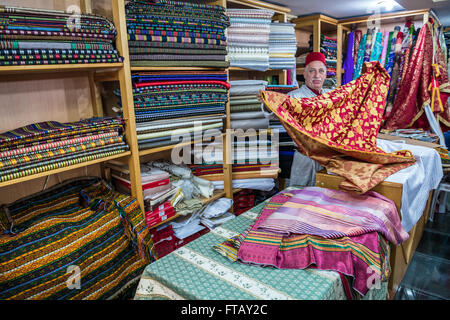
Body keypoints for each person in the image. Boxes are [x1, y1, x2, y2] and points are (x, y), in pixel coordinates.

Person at [288, 52, 331, 187]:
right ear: (305, 74)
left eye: (321, 71)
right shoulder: (294, 97)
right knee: (299, 197)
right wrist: (265, 102)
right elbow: (273, 112)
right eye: (312, 71)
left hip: (327, 159)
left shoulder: (331, 97)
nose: (317, 75)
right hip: (304, 158)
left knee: (323, 198)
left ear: (325, 75)